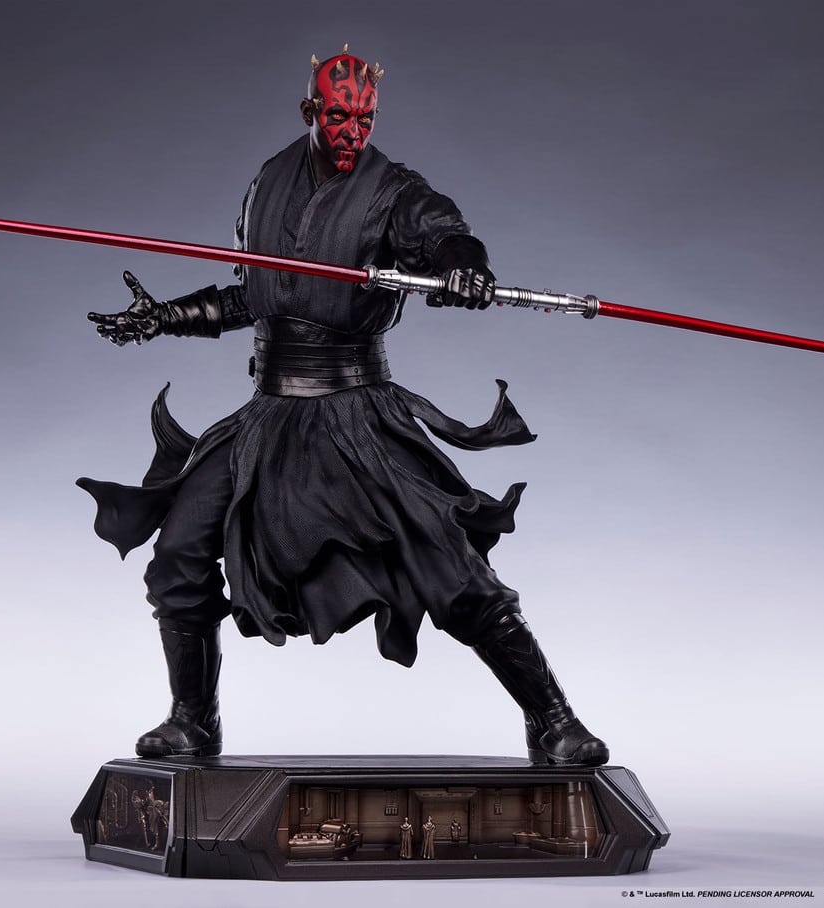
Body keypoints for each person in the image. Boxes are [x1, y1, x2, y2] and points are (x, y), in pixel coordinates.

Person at [79, 47, 608, 767]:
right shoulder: (268, 181)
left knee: (449, 564)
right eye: (338, 117)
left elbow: (446, 236)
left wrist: (465, 269)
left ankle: (552, 720)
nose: (353, 131)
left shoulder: (395, 191)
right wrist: (164, 316)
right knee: (177, 554)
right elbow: (252, 296)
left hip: (357, 414)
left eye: (365, 118)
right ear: (309, 111)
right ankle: (193, 721)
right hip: (268, 415)